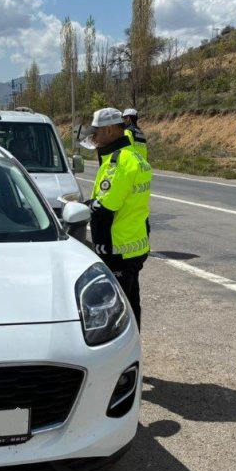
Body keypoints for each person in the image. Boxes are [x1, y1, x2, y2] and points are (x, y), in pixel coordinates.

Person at [86, 107, 152, 329]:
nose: (93, 137)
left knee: (116, 312)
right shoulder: (134, 156)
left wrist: (84, 206)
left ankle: (125, 347)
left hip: (117, 248)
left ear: (111, 130)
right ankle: (134, 342)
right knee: (132, 303)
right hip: (135, 243)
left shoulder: (118, 162)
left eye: (97, 131)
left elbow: (105, 207)